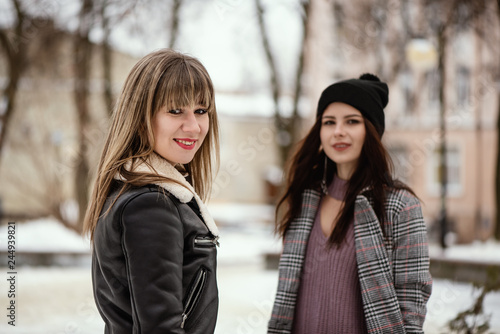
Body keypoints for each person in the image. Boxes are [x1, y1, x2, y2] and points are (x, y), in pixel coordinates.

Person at [267, 74, 432, 334]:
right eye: (329, 122)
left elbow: (411, 301)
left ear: (371, 130)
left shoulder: (399, 206)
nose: (338, 131)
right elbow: (287, 295)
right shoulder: (305, 199)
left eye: (352, 121)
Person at [83, 49, 220, 334]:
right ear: (140, 115)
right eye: (175, 110)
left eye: (201, 111)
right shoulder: (151, 205)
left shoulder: (133, 192)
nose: (193, 126)